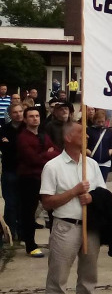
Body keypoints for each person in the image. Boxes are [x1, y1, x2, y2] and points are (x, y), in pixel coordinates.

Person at [40, 121, 109, 294]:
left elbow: (103, 194)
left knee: (89, 275)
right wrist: (74, 192)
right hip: (66, 226)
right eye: (81, 132)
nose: (86, 135)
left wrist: (92, 198)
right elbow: (47, 201)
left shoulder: (91, 165)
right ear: (68, 137)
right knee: (58, 277)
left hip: (89, 227)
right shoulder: (53, 166)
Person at [16, 107, 59, 257]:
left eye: (37, 116)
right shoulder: (23, 138)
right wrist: (48, 154)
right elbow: (32, 159)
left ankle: (56, 243)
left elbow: (57, 153)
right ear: (25, 119)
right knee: (29, 213)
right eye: (31, 116)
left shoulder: (43, 135)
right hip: (29, 179)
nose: (35, 118)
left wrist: (48, 153)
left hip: (45, 178)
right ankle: (30, 245)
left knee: (53, 211)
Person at [0, 103, 24, 243]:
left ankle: (22, 233)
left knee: (22, 204)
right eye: (15, 112)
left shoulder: (27, 128)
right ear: (10, 114)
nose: (18, 114)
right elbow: (5, 150)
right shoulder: (5, 129)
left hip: (24, 171)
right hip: (9, 171)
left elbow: (26, 149)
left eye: (20, 111)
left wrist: (11, 145)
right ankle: (10, 233)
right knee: (10, 203)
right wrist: (11, 146)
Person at [86, 109, 112, 182]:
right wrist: (91, 153)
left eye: (102, 121)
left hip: (105, 162)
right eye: (99, 122)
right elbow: (86, 145)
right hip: (92, 161)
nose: (101, 124)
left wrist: (108, 154)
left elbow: (111, 146)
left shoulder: (109, 132)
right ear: (95, 120)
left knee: (102, 182)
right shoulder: (89, 130)